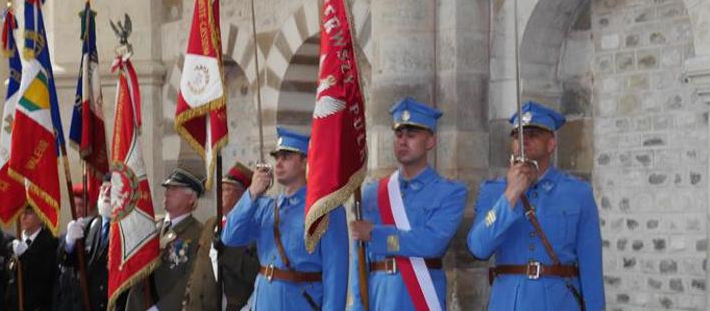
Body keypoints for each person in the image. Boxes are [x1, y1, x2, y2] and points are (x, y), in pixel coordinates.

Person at [467, 101, 604, 310]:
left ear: (551, 144)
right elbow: (478, 247)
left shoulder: (578, 193)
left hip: (558, 302)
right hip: (508, 303)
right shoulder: (493, 191)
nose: (524, 140)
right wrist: (511, 194)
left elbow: (591, 267)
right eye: (517, 135)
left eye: (533, 134)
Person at [348, 96, 468, 310]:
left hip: (418, 299)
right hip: (378, 297)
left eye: (411, 135)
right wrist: (357, 305)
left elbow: (431, 242)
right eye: (399, 134)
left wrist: (376, 234)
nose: (403, 141)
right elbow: (360, 259)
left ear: (430, 141)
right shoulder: (372, 192)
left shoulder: (449, 192)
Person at [222, 127, 349, 310]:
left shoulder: (325, 210)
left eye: (287, 157)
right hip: (264, 302)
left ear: (305, 162)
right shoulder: (266, 207)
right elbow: (230, 236)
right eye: (277, 158)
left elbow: (336, 275)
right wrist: (251, 194)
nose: (279, 163)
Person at [125, 168, 203, 311]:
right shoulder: (152, 228)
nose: (167, 192)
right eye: (167, 188)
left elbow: (190, 280)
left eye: (174, 189)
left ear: (192, 198)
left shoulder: (198, 234)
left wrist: (160, 308)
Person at [185, 162, 258, 311]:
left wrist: (226, 250)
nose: (220, 194)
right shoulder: (211, 224)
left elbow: (253, 270)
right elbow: (197, 265)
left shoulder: (253, 228)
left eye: (227, 189)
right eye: (220, 188)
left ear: (244, 195)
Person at [58, 174, 125, 311]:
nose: (105, 193)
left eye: (111, 190)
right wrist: (69, 243)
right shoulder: (87, 226)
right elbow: (65, 261)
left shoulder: (126, 230)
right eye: (103, 189)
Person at [6, 205, 58, 311]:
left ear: (41, 215)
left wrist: (25, 255)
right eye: (22, 212)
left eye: (29, 213)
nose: (23, 217)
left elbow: (44, 275)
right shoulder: (12, 244)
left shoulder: (51, 243)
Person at [52, 184, 95, 311]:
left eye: (82, 205)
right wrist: (69, 242)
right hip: (67, 303)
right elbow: (60, 264)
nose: (77, 210)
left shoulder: (94, 234)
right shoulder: (65, 237)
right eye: (75, 205)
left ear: (90, 207)